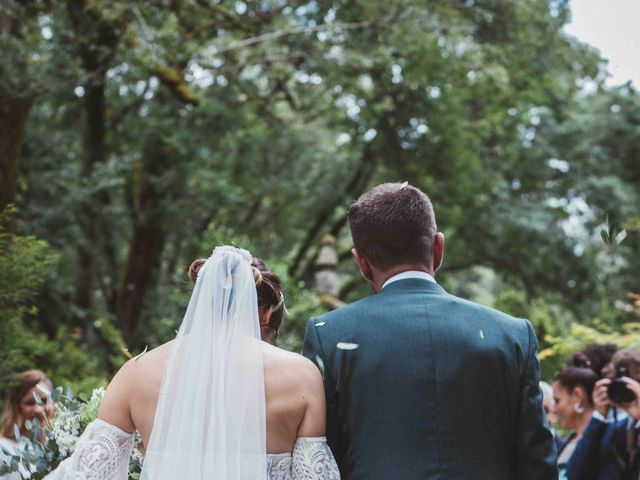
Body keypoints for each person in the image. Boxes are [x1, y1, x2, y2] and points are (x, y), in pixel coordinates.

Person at [303, 182, 557, 479]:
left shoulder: (330, 335)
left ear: (361, 263)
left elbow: (323, 462)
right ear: (438, 247)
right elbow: (538, 466)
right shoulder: (512, 336)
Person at [44, 248, 339, 479]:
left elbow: (88, 473)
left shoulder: (137, 373)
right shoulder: (302, 376)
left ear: (199, 299)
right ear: (266, 313)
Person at [566, 347, 640, 480]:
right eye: (623, 383)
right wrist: (599, 415)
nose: (629, 390)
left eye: (637, 383)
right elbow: (574, 474)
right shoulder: (614, 429)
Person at [1, 370, 55, 480]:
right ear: (16, 406)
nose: (38, 410)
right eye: (30, 402)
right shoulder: (3, 449)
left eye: (44, 400)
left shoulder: (62, 446)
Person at [551, 367, 597, 471]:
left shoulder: (599, 443)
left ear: (577, 396)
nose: (554, 410)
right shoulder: (570, 441)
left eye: (557, 400)